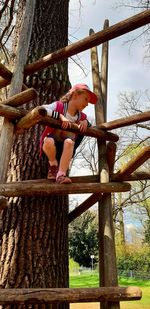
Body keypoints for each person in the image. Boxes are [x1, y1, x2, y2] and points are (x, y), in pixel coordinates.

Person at [40, 84, 97, 184]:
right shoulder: (58, 106)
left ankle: (61, 174)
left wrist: (85, 123)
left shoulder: (81, 116)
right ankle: (53, 165)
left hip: (65, 149)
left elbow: (90, 124)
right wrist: (60, 116)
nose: (87, 104)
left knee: (70, 142)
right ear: (75, 95)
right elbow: (41, 109)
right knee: (48, 140)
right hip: (50, 147)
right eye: (86, 99)